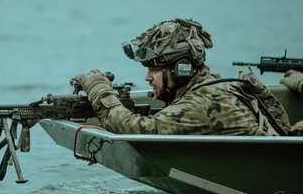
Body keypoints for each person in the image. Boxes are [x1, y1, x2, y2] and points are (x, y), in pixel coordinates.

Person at [73, 18, 289, 135]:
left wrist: (99, 89)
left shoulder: (200, 103)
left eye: (155, 70)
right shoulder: (209, 84)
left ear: (180, 69)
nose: (147, 77)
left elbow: (139, 130)